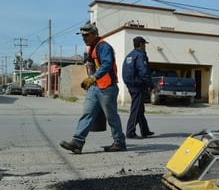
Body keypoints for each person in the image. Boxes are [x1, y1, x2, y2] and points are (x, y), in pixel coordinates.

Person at [60, 22, 127, 154]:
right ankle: (77, 143)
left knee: (111, 117)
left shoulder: (103, 47)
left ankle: (119, 142)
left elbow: (107, 64)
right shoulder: (90, 48)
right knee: (87, 115)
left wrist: (93, 78)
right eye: (82, 36)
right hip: (94, 88)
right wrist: (90, 81)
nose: (83, 38)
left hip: (107, 88)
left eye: (86, 35)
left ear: (94, 34)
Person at [122, 36, 155, 139]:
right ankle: (130, 132)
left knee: (139, 108)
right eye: (144, 44)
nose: (145, 46)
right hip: (138, 86)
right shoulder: (140, 55)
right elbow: (144, 72)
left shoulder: (129, 55)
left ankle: (145, 130)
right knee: (136, 109)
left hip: (131, 84)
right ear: (141, 45)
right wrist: (151, 85)